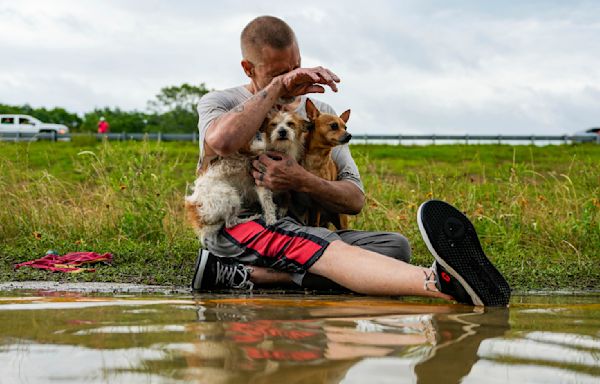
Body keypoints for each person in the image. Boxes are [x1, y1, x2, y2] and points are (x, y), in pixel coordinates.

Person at [191, 15, 510, 306]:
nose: (292, 80)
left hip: (301, 232)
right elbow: (221, 141)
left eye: (295, 68)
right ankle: (439, 282)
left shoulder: (320, 117)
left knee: (394, 248)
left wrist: (301, 180)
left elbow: (354, 200)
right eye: (279, 74)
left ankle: (244, 275)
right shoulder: (221, 102)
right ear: (249, 69)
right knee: (324, 245)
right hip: (239, 225)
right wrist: (276, 90)